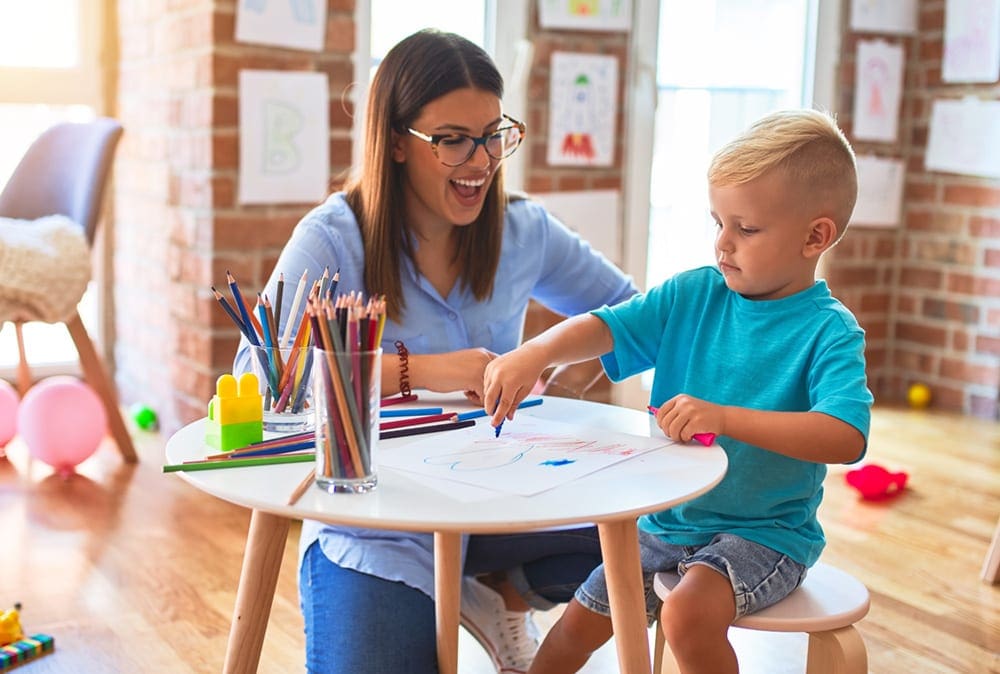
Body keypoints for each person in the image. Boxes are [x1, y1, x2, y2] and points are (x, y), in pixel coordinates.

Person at [235, 29, 637, 674]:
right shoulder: (334, 237)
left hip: (505, 502)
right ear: (396, 141)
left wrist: (544, 353)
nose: (479, 161)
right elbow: (257, 375)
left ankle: (505, 590)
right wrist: (413, 371)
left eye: (492, 134)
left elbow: (631, 313)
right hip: (378, 526)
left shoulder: (524, 229)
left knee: (662, 536)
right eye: (452, 139)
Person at [482, 109, 874, 674]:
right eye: (718, 221)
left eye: (747, 229)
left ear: (817, 236)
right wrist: (535, 351)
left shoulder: (829, 330)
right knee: (572, 628)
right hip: (665, 526)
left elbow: (844, 437)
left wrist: (726, 417)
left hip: (766, 536)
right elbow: (606, 325)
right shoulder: (693, 294)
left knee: (686, 614)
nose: (723, 243)